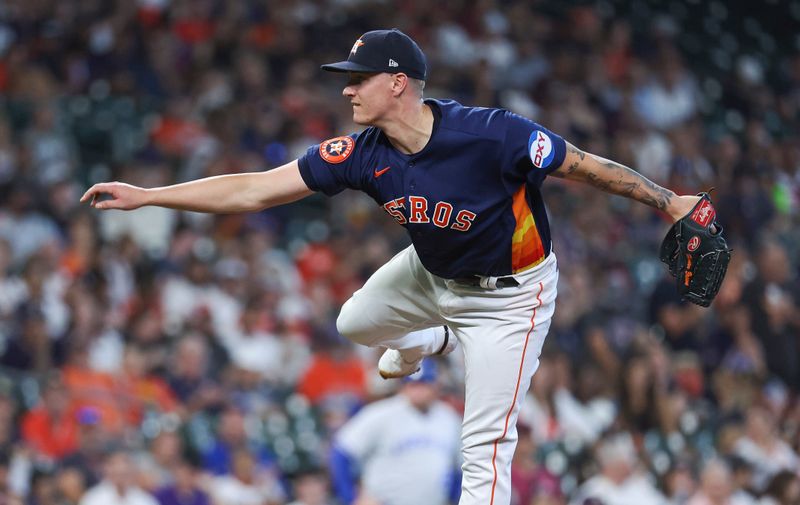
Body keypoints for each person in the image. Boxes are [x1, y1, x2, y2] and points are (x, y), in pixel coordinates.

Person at [81, 28, 705, 505]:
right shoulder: (359, 154)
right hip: (431, 273)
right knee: (354, 322)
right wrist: (151, 195)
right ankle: (429, 338)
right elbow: (255, 189)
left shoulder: (492, 134)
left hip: (510, 298)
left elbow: (586, 166)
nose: (347, 88)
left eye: (358, 77)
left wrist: (665, 200)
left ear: (398, 82)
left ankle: (439, 338)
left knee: (484, 448)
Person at [329, 359, 461, 505]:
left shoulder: (449, 418)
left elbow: (459, 467)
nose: (418, 391)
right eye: (413, 385)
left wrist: (456, 498)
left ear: (436, 386)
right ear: (403, 386)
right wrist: (351, 498)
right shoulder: (382, 413)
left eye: (424, 384)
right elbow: (341, 452)